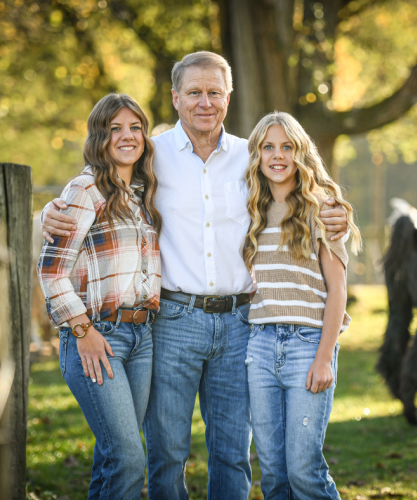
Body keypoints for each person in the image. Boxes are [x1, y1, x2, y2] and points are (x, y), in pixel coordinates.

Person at [41, 52, 350, 500]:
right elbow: (103, 176)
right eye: (194, 93)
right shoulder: (152, 153)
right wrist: (56, 209)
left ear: (228, 96)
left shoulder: (253, 156)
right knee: (166, 452)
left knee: (232, 452)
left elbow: (300, 185)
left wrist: (335, 209)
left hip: (243, 323)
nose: (204, 102)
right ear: (175, 97)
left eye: (213, 92)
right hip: (172, 319)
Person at [37, 93, 162, 499]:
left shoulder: (143, 191)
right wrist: (82, 330)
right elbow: (51, 271)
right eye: (115, 129)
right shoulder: (85, 188)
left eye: (135, 127)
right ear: (100, 137)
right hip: (97, 337)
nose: (127, 136)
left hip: (141, 339)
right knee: (127, 458)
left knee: (114, 457)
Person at [243, 111, 361, 499]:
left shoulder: (322, 208)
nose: (278, 156)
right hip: (259, 345)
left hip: (307, 344)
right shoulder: (250, 211)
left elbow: (338, 288)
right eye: (268, 147)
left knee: (304, 471)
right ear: (257, 154)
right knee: (274, 474)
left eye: (287, 147)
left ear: (301, 153)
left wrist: (325, 356)